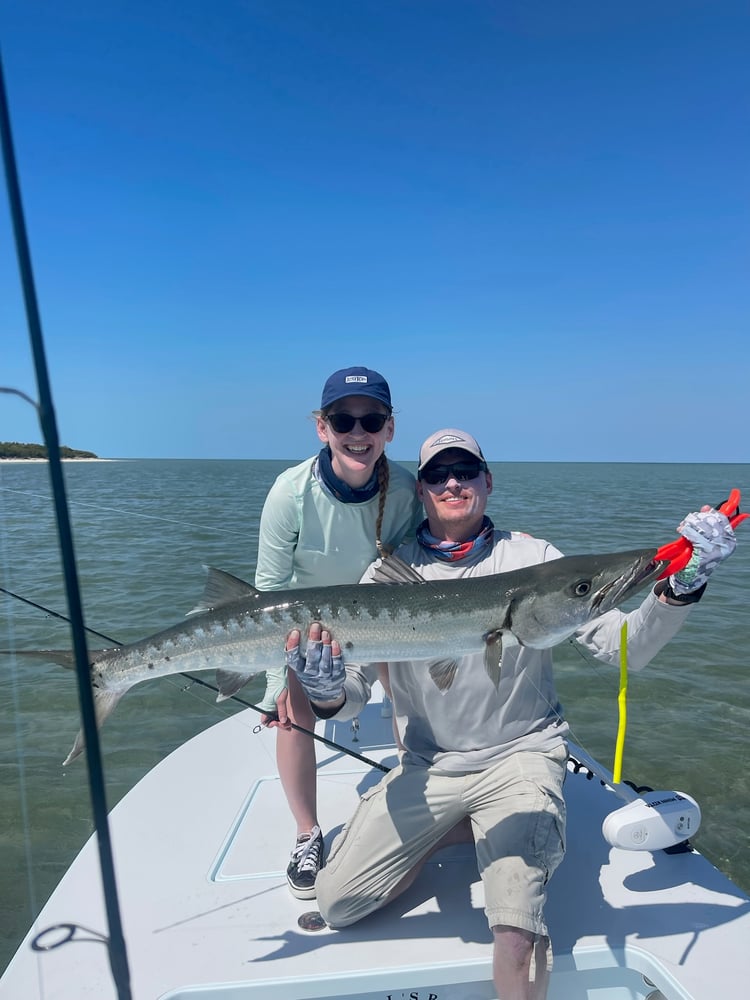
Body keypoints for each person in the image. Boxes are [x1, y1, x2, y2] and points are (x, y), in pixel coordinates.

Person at [284, 427, 738, 1000]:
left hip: (521, 755)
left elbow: (625, 647)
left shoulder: (534, 557)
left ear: (487, 482)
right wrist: (323, 689)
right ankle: (460, 828)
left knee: (516, 927)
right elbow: (349, 693)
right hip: (431, 764)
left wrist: (680, 588)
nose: (453, 483)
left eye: (466, 471)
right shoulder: (387, 577)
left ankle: (502, 838)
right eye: (437, 475)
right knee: (338, 902)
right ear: (421, 491)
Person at [253, 366, 422, 899]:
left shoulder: (406, 493)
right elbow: (267, 593)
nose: (358, 432)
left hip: (382, 624)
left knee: (409, 689)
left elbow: (418, 567)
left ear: (389, 430)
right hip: (305, 632)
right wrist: (272, 683)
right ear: (321, 427)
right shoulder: (289, 493)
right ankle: (307, 833)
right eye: (342, 419)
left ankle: (418, 803)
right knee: (293, 707)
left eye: (371, 419)